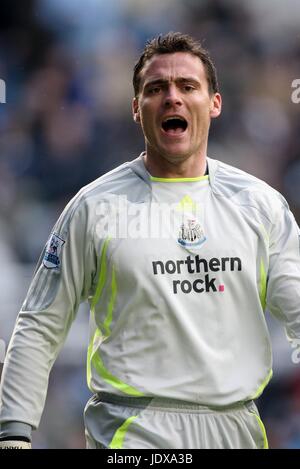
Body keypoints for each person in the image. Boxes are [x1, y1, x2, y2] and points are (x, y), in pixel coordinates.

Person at [0, 31, 299, 450]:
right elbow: (39, 323)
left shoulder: (260, 205)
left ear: (215, 104)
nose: (172, 98)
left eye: (187, 86)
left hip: (236, 427)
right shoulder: (95, 207)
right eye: (156, 89)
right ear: (137, 110)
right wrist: (15, 430)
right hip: (132, 430)